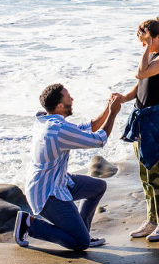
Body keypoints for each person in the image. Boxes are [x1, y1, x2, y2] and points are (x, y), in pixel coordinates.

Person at [13, 83, 121, 250]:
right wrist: (113, 114)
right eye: (68, 97)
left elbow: (85, 129)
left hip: (59, 182)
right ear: (60, 106)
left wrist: (107, 108)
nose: (72, 99)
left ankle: (83, 231)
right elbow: (99, 140)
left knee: (98, 187)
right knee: (80, 243)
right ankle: (29, 224)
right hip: (46, 194)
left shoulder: (46, 120)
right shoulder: (57, 130)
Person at [116, 17, 159, 242]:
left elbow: (141, 74)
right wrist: (124, 97)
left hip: (157, 120)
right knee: (145, 174)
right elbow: (141, 84)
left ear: (158, 37)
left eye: (145, 41)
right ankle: (152, 220)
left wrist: (148, 50)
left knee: (158, 173)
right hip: (141, 119)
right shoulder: (151, 56)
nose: (143, 46)